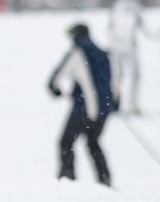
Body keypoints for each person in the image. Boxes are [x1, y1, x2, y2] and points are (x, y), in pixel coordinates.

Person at [47, 21, 119, 186]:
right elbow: (116, 80)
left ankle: (67, 180)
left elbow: (55, 80)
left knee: (65, 142)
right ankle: (105, 180)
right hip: (104, 110)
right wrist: (113, 103)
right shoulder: (104, 53)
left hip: (84, 109)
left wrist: (56, 90)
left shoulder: (77, 52)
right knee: (93, 142)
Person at [106, 0, 160, 115]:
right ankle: (132, 105)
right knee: (135, 77)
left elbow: (109, 27)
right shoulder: (135, 8)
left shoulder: (116, 6)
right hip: (129, 47)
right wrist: (158, 36)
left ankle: (114, 104)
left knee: (117, 76)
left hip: (115, 46)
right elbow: (144, 29)